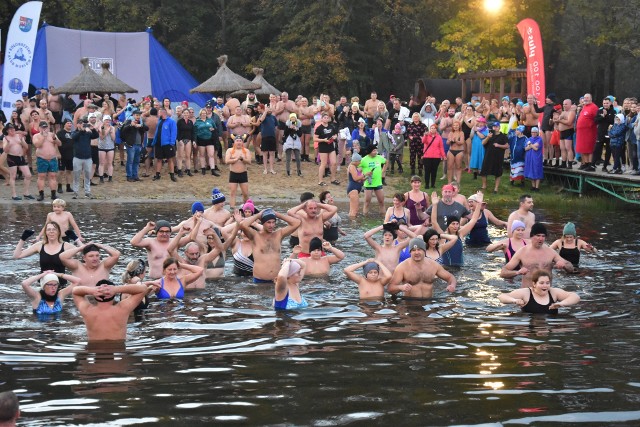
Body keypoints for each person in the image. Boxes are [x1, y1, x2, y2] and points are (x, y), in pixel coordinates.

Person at [501, 222, 573, 287]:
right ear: (532, 236)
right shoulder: (522, 252)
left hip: (546, 292)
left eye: (543, 236)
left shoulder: (551, 252)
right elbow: (503, 272)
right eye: (538, 235)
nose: (541, 239)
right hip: (528, 292)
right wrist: (517, 272)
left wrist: (564, 265)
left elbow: (571, 268)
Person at [72, 280, 148, 342]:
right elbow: (143, 288)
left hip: (94, 351)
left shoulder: (87, 310)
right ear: (113, 295)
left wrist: (92, 290)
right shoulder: (122, 309)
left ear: (95, 295)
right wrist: (116, 289)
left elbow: (75, 291)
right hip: (118, 351)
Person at [240, 208, 301, 282]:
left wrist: (277, 214)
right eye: (268, 222)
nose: (271, 225)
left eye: (273, 222)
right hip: (260, 281)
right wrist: (258, 215)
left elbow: (297, 222)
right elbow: (243, 225)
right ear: (262, 223)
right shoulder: (255, 236)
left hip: (276, 280)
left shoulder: (279, 234)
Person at [387, 237, 457, 298]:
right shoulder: (402, 267)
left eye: (419, 249)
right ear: (410, 252)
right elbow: (390, 288)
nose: (416, 252)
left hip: (429, 304)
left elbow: (450, 277)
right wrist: (400, 287)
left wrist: (452, 285)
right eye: (413, 250)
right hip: (409, 304)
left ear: (424, 251)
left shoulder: (433, 265)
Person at [430, 191, 485, 267]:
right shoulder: (442, 236)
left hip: (460, 268)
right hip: (447, 268)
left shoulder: (460, 234)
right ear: (448, 225)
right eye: (453, 224)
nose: (455, 226)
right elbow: (434, 222)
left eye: (457, 224)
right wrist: (435, 205)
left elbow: (473, 220)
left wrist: (479, 203)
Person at [498, 269, 580, 314]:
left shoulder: (553, 292)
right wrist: (514, 300)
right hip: (530, 327)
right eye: (541, 283)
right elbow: (502, 296)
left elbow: (575, 297)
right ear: (534, 284)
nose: (545, 286)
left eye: (547, 283)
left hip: (549, 327)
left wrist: (561, 303)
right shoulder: (526, 293)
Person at [3, 123, 34, 200]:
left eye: (13, 129)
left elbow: (26, 147)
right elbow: (5, 150)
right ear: (7, 131)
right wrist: (9, 143)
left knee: (28, 175)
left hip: (20, 157)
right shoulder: (6, 138)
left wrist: (21, 141)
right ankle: (14, 195)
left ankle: (26, 193)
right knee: (13, 176)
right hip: (11, 157)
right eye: (10, 129)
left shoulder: (18, 136)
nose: (12, 130)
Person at [32, 120, 61, 201]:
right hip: (42, 158)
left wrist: (55, 138)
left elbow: (59, 144)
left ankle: (53, 194)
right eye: (42, 127)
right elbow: (37, 145)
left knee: (53, 176)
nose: (44, 129)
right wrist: (43, 137)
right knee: (41, 176)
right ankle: (41, 194)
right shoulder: (36, 136)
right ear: (39, 128)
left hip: (52, 158)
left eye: (46, 127)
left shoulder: (52, 135)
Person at [71, 117, 99, 199]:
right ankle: (75, 192)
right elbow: (74, 138)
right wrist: (81, 130)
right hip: (77, 157)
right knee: (76, 175)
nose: (82, 125)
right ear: (77, 125)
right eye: (80, 123)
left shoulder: (88, 133)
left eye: (83, 123)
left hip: (87, 157)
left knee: (87, 175)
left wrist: (92, 128)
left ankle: (87, 192)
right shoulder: (74, 132)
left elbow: (96, 136)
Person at [479, 122, 509, 193]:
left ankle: (496, 188)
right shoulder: (489, 135)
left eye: (497, 127)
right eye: (494, 127)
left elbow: (507, 146)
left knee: (497, 173)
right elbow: (483, 143)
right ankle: (484, 186)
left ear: (499, 127)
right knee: (484, 171)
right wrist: (488, 137)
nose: (495, 128)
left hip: (498, 157)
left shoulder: (503, 136)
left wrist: (499, 145)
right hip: (488, 156)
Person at [120, 109, 148, 182]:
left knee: (136, 161)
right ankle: (129, 176)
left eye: (139, 115)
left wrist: (141, 126)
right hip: (131, 144)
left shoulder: (141, 122)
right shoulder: (129, 121)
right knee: (130, 161)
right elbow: (123, 130)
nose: (138, 117)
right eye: (137, 115)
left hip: (139, 145)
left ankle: (135, 176)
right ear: (133, 115)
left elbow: (147, 128)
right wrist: (130, 125)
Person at [224, 134, 252, 210]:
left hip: (243, 174)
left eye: (240, 141)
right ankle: (232, 208)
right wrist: (235, 159)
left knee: (245, 193)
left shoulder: (246, 151)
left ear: (242, 142)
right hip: (233, 173)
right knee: (233, 192)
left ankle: (246, 208)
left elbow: (249, 161)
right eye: (237, 141)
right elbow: (227, 161)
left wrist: (243, 159)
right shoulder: (230, 150)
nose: (239, 142)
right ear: (234, 142)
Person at [151, 108, 178, 182]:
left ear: (163, 113)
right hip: (159, 143)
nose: (158, 114)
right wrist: (154, 141)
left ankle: (172, 175)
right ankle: (157, 175)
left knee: (170, 159)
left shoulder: (171, 121)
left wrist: (172, 143)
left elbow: (173, 133)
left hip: (167, 144)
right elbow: (157, 132)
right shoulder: (159, 121)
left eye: (159, 113)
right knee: (159, 159)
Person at [360, 145, 387, 215]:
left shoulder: (379, 157)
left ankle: (383, 217)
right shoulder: (364, 160)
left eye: (376, 150)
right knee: (367, 202)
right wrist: (365, 174)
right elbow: (357, 169)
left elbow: (386, 162)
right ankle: (365, 217)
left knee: (381, 201)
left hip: (378, 183)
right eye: (374, 151)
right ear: (369, 152)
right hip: (368, 183)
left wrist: (383, 171)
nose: (376, 152)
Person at [576, 93, 599, 171]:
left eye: (587, 97)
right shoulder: (584, 107)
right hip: (581, 132)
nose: (585, 99)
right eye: (585, 97)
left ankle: (590, 164)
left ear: (591, 98)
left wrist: (590, 125)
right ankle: (585, 163)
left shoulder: (594, 107)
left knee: (589, 148)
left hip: (589, 131)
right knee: (583, 148)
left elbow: (596, 119)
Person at [315, 112, 339, 186]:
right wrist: (323, 140)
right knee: (324, 164)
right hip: (323, 147)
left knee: (334, 163)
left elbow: (335, 134)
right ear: (322, 119)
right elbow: (315, 138)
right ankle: (320, 180)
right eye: (324, 117)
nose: (326, 119)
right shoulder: (319, 128)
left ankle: (333, 179)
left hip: (331, 146)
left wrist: (335, 137)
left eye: (327, 118)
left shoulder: (331, 126)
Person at [422, 123, 446, 188]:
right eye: (431, 128)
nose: (433, 129)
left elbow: (441, 147)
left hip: (436, 157)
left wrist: (443, 155)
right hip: (427, 156)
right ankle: (427, 184)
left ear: (436, 129)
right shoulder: (427, 136)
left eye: (434, 128)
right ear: (430, 129)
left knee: (434, 171)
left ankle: (433, 184)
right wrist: (425, 135)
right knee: (427, 171)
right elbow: (423, 141)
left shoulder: (439, 137)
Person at [257, 103, 278, 175]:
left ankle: (271, 169)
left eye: (270, 108)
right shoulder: (262, 115)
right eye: (268, 108)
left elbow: (275, 126)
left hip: (272, 136)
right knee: (265, 153)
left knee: (272, 153)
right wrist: (265, 111)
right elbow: (261, 120)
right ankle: (265, 169)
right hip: (265, 136)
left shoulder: (273, 117)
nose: (269, 110)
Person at [55, 120, 74, 192]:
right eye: (68, 123)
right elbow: (56, 144)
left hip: (71, 155)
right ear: (64, 125)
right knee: (61, 171)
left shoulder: (73, 133)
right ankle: (59, 186)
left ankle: (68, 186)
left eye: (70, 123)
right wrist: (57, 153)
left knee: (69, 171)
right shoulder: (60, 133)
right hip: (62, 155)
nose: (69, 124)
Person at [97, 115, 116, 183]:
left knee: (110, 163)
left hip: (110, 146)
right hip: (102, 147)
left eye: (108, 120)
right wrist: (108, 130)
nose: (107, 121)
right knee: (101, 163)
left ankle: (110, 177)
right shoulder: (101, 127)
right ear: (104, 121)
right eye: (106, 120)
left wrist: (112, 133)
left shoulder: (112, 128)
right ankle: (101, 177)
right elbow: (102, 137)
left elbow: (114, 139)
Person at [524, 127, 544, 191]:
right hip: (529, 157)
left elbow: (536, 148)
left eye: (535, 132)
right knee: (531, 170)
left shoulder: (539, 139)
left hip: (536, 158)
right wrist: (532, 145)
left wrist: (529, 144)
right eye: (532, 132)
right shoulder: (529, 139)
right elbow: (525, 149)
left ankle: (537, 187)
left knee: (537, 170)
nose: (533, 133)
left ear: (537, 133)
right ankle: (533, 186)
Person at [347, 152, 365, 218]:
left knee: (353, 210)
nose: (360, 162)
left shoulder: (354, 167)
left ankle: (352, 224)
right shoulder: (352, 166)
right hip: (353, 189)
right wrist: (364, 175)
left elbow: (359, 179)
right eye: (359, 161)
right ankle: (353, 225)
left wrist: (365, 177)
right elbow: (355, 178)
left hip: (354, 189)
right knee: (354, 210)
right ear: (356, 161)